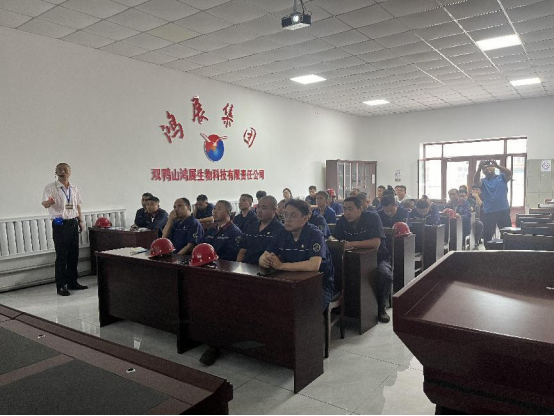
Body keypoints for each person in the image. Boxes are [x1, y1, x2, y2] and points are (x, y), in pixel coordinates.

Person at [260, 199, 334, 313]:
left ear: (305, 218)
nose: (287, 219)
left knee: (302, 312)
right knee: (267, 303)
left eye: (293, 215)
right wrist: (265, 260)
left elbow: (314, 265)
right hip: (290, 282)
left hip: (319, 285)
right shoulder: (282, 232)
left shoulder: (315, 234)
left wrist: (281, 266)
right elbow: (264, 256)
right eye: (285, 215)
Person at [332, 197, 392, 323]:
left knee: (384, 275)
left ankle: (381, 308)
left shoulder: (372, 217)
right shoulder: (342, 221)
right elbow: (335, 238)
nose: (347, 213)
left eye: (350, 209)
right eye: (344, 209)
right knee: (335, 272)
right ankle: (344, 308)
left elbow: (375, 243)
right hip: (352, 259)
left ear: (360, 209)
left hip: (378, 258)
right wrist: (334, 241)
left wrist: (351, 244)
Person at [41, 163, 87, 296]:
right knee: (62, 255)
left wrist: (80, 221)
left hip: (73, 223)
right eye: (59, 170)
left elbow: (77, 206)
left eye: (65, 170)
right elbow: (44, 203)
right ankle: (61, 285)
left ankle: (73, 282)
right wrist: (49, 203)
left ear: (70, 172)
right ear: (55, 172)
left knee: (74, 254)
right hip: (59, 223)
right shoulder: (50, 187)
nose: (62, 172)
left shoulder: (74, 188)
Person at [237, 196, 284, 264]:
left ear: (274, 210)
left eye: (264, 208)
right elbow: (242, 252)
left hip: (267, 267)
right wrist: (238, 266)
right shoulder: (252, 226)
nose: (259, 211)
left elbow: (280, 256)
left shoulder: (280, 229)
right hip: (247, 266)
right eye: (258, 207)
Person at [474, 160, 512, 244]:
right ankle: (489, 250)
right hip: (489, 212)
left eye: (489, 166)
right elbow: (476, 181)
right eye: (484, 168)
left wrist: (498, 166)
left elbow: (509, 173)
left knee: (507, 234)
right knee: (487, 236)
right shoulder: (483, 181)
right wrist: (479, 168)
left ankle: (506, 250)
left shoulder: (502, 177)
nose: (487, 168)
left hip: (503, 210)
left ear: (494, 168)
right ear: (483, 172)